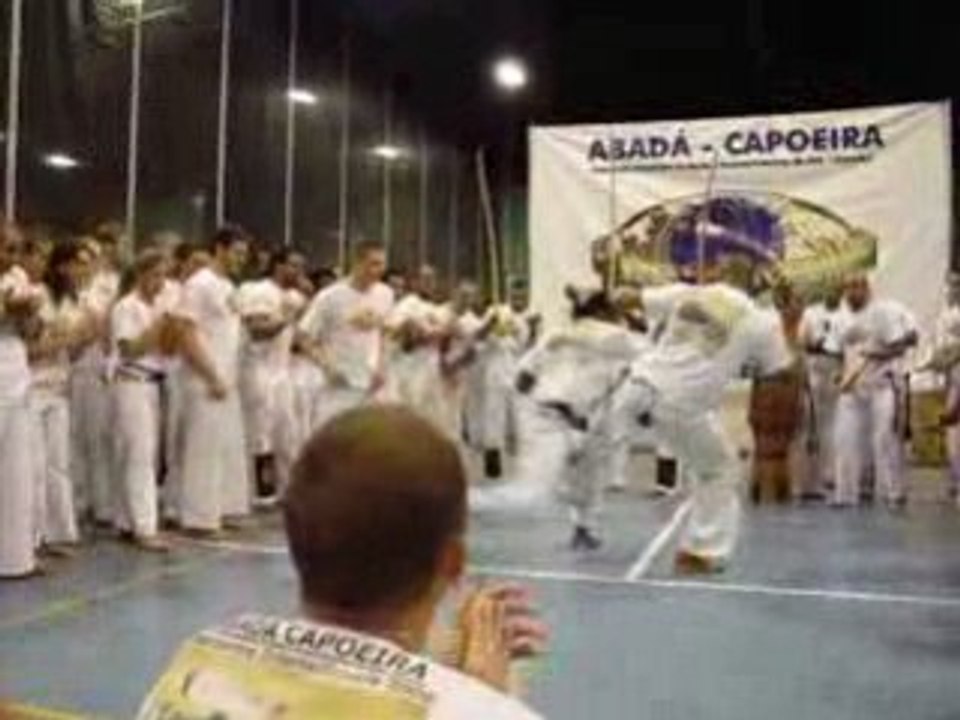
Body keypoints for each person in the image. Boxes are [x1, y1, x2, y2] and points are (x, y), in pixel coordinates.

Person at [137, 406, 547, 719]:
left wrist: (439, 685)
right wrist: (481, 699)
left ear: (294, 535)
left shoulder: (198, 664)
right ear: (452, 562)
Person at [614, 264, 793, 573]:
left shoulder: (690, 293)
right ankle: (701, 552)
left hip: (636, 387)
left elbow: (623, 298)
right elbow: (781, 370)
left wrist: (613, 289)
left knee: (703, 456)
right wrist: (789, 326)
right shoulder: (763, 321)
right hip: (679, 404)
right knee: (721, 469)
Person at [508, 287, 645, 549]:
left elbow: (523, 378)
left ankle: (582, 525)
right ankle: (583, 526)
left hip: (548, 411)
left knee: (571, 477)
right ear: (604, 311)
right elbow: (649, 352)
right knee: (580, 478)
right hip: (580, 415)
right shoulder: (615, 335)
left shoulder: (556, 334)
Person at [174, 226, 251, 536]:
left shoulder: (228, 286)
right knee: (203, 448)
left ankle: (223, 508)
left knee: (226, 446)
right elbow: (185, 331)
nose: (241, 259)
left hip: (227, 376)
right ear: (219, 248)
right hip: (205, 377)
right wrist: (211, 374)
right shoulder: (198, 284)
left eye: (245, 254)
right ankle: (198, 518)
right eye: (237, 252)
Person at [27, 241, 101, 555]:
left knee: (58, 464)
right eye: (79, 263)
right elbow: (31, 351)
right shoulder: (38, 298)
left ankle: (57, 533)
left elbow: (70, 352)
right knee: (34, 465)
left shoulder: (76, 303)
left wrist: (86, 338)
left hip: (59, 389)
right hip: (30, 389)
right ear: (62, 266)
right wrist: (70, 338)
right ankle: (31, 538)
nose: (84, 271)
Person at [110, 250, 179, 552]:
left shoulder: (157, 307)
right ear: (141, 274)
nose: (160, 282)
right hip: (131, 381)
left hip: (153, 384)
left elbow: (166, 350)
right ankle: (145, 527)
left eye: (164, 276)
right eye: (155, 275)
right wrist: (160, 325)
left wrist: (173, 329)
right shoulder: (126, 307)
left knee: (144, 455)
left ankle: (127, 521)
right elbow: (130, 350)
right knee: (138, 454)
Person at [832, 274, 918, 508]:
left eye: (856, 287)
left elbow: (900, 346)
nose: (851, 292)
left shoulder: (883, 313)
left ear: (866, 288)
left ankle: (893, 491)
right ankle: (845, 494)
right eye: (847, 287)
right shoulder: (840, 317)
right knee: (844, 439)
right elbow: (838, 350)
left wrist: (877, 355)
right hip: (851, 387)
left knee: (883, 439)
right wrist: (839, 372)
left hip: (881, 385)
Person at [297, 242, 394, 429]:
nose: (379, 270)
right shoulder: (330, 296)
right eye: (373, 263)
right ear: (357, 262)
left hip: (371, 385)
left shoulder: (386, 294)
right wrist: (327, 366)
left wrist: (382, 366)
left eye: (382, 264)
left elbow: (384, 332)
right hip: (338, 384)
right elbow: (303, 337)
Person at [236, 249, 306, 500]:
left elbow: (295, 339)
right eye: (293, 266)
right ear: (278, 266)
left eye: (301, 267)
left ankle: (287, 490)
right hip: (257, 370)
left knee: (288, 434)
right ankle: (253, 493)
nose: (298, 272)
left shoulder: (294, 297)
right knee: (258, 435)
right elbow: (257, 330)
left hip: (282, 371)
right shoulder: (259, 291)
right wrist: (287, 317)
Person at [0, 223, 44, 579]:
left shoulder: (18, 277)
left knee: (18, 470)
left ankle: (14, 558)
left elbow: (32, 333)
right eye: (5, 249)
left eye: (15, 249)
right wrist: (9, 309)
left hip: (16, 374)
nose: (12, 257)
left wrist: (27, 313)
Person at [70, 235, 121, 528]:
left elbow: (103, 331)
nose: (84, 266)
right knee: (75, 438)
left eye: (89, 260)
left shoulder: (105, 289)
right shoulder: (71, 292)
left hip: (98, 369)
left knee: (100, 438)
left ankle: (103, 504)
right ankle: (80, 501)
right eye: (79, 261)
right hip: (73, 370)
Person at [748, 282, 805, 504]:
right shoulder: (770, 329)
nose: (800, 309)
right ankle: (766, 492)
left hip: (787, 391)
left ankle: (778, 491)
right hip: (772, 390)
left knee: (781, 445)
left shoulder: (795, 332)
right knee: (768, 446)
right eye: (796, 303)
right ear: (784, 305)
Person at [798, 283, 845, 499]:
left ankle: (832, 474)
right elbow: (802, 343)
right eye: (829, 288)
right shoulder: (811, 313)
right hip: (814, 371)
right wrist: (816, 345)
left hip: (836, 372)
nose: (832, 292)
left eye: (837, 289)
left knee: (835, 425)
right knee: (810, 426)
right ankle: (808, 480)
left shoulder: (846, 314)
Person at [385, 264, 447, 426]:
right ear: (415, 282)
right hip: (411, 371)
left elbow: (443, 338)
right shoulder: (407, 305)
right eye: (424, 279)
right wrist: (417, 334)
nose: (429, 283)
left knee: (434, 419)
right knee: (411, 419)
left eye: (432, 279)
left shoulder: (438, 309)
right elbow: (400, 337)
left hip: (433, 370)